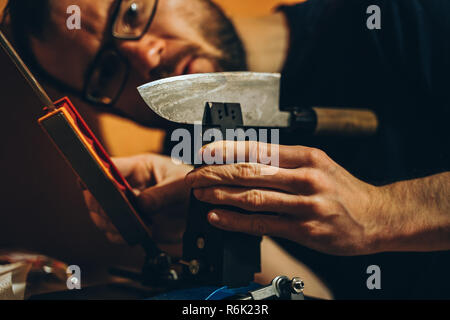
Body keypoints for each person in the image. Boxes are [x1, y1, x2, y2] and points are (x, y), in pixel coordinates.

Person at [2, 0, 449, 298]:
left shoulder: (400, 16)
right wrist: (224, 230)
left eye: (132, 10)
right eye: (104, 72)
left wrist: (383, 212)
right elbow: (316, 295)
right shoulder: (193, 154)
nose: (145, 54)